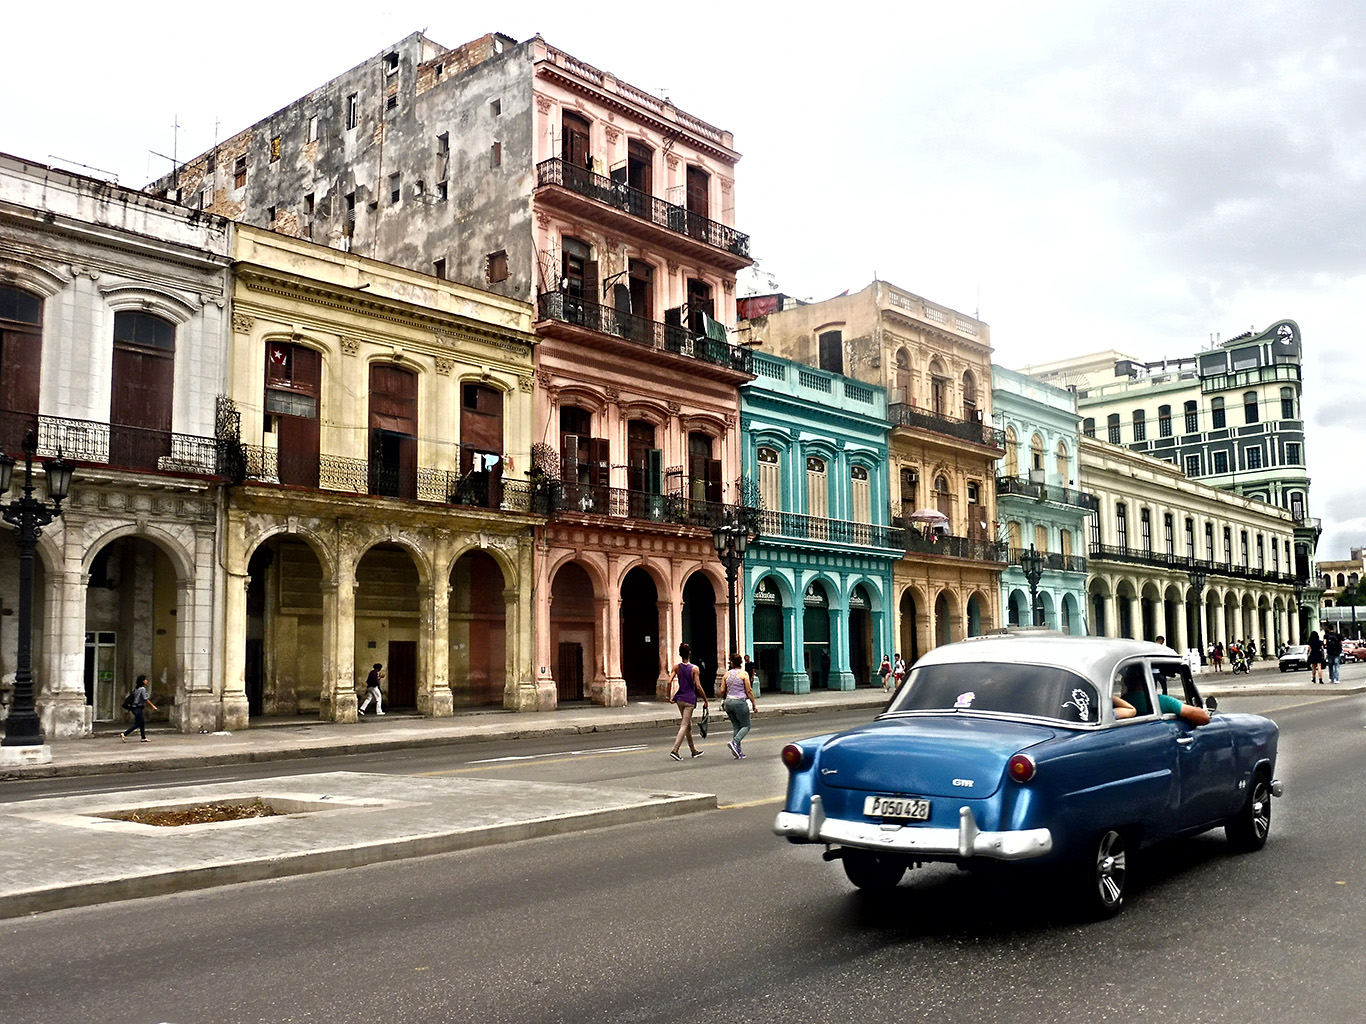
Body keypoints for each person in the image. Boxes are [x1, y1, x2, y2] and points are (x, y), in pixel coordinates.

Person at [667, 642, 708, 760]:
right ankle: (675, 750)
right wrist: (705, 700)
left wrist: (667, 696)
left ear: (680, 654)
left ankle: (693, 750)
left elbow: (669, 681)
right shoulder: (694, 669)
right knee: (684, 725)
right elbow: (698, 687)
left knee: (688, 725)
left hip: (679, 699)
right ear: (689, 654)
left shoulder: (677, 667)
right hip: (689, 699)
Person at [720, 652, 758, 759]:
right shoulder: (744, 674)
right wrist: (754, 704)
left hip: (728, 702)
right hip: (739, 702)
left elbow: (722, 690)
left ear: (731, 663)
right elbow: (749, 690)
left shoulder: (726, 674)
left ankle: (738, 752)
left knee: (736, 726)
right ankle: (735, 742)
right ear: (741, 662)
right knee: (746, 725)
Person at [120, 674, 158, 742]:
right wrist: (152, 706)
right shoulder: (142, 689)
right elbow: (145, 699)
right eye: (145, 680)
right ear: (142, 681)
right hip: (138, 708)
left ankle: (143, 737)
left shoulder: (136, 689)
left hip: (134, 708)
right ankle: (124, 734)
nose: (147, 681)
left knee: (142, 722)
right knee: (138, 723)